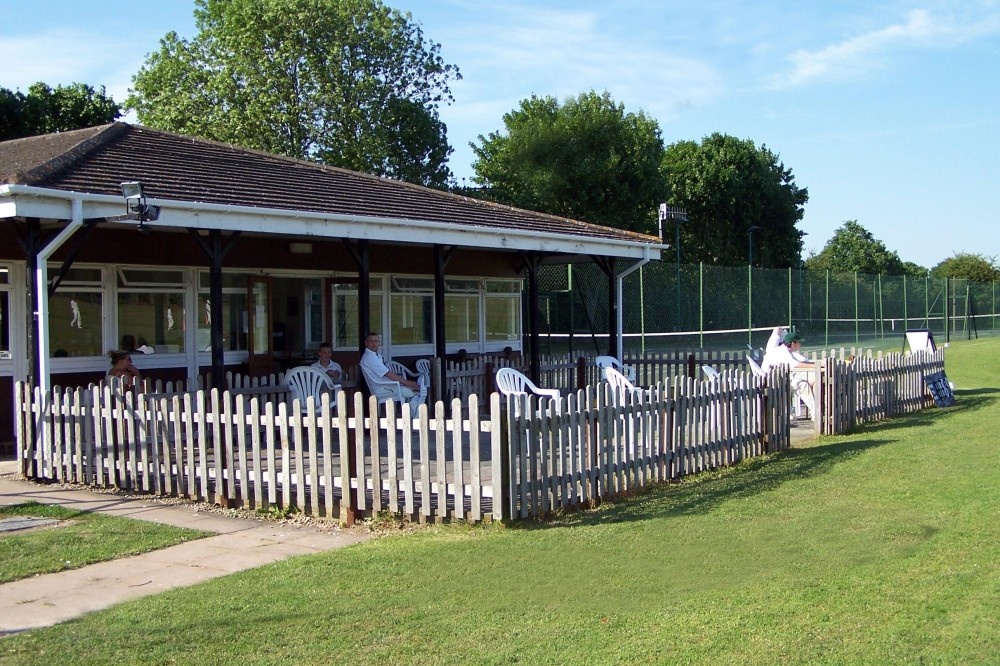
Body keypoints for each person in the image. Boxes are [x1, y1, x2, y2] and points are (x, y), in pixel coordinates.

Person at [359, 332, 424, 412]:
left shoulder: (375, 355)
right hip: (383, 389)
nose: (374, 343)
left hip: (387, 386)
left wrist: (404, 383)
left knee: (415, 388)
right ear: (366, 343)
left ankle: (411, 414)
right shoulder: (370, 357)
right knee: (417, 391)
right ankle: (413, 416)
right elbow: (387, 373)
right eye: (371, 341)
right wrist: (406, 382)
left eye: (376, 341)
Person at [761, 330, 815, 415]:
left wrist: (816, 364)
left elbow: (802, 361)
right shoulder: (783, 353)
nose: (800, 345)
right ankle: (815, 413)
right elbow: (795, 365)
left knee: (802, 383)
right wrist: (816, 366)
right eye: (799, 343)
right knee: (803, 385)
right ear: (793, 344)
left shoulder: (785, 351)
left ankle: (815, 412)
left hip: (777, 379)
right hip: (772, 382)